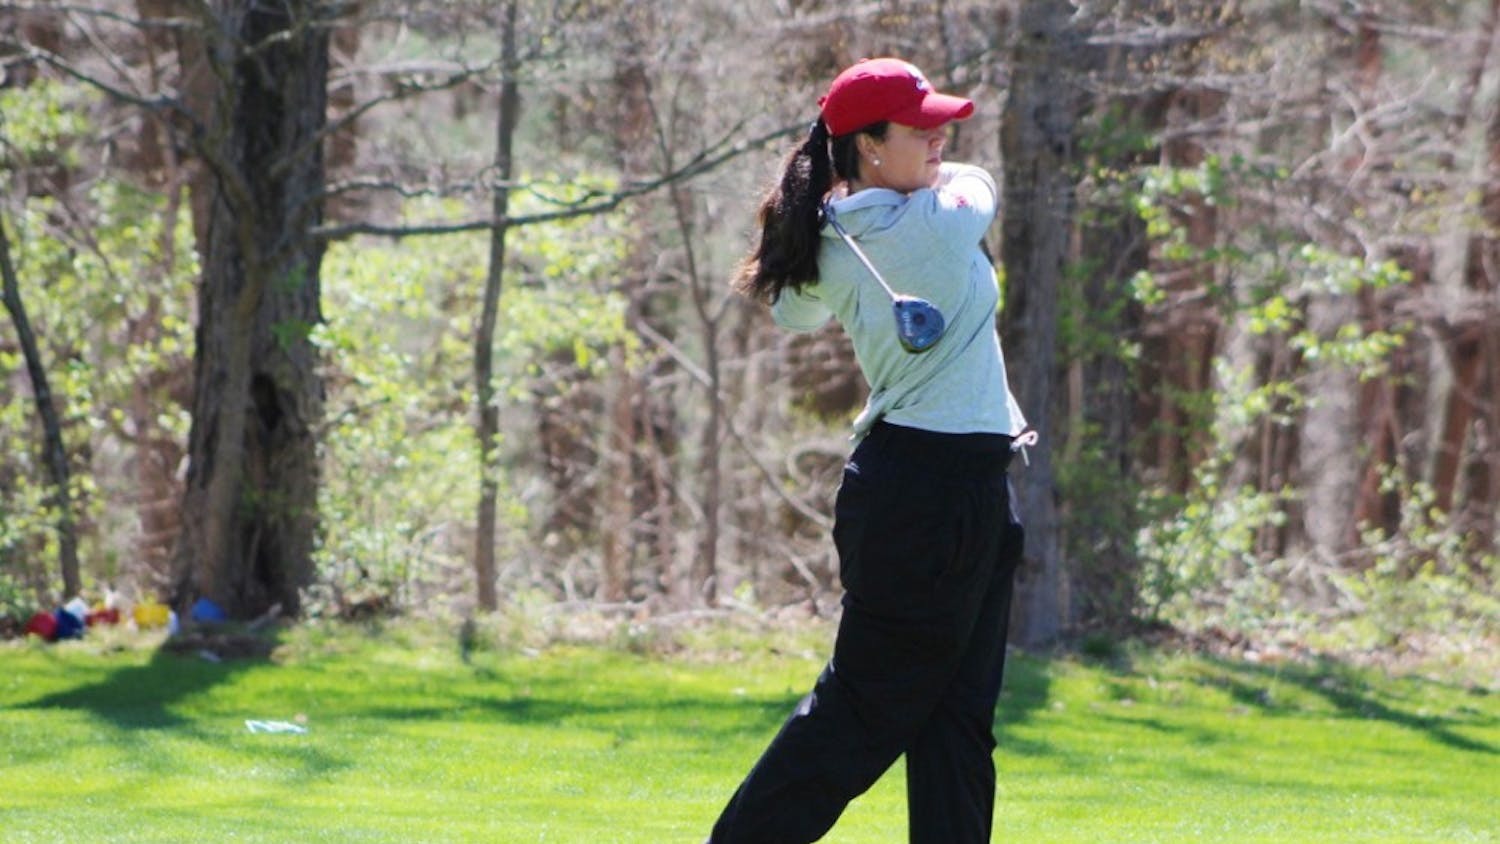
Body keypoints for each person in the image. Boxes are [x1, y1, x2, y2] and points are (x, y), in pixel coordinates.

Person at [706, 58, 1029, 844]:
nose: (941, 137)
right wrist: (858, 212)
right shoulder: (938, 218)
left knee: (957, 726)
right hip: (925, 497)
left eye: (940, 124)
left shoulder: (845, 235)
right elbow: (979, 183)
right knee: (862, 711)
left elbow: (792, 312)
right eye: (920, 129)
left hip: (967, 485)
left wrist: (833, 214)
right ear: (869, 146)